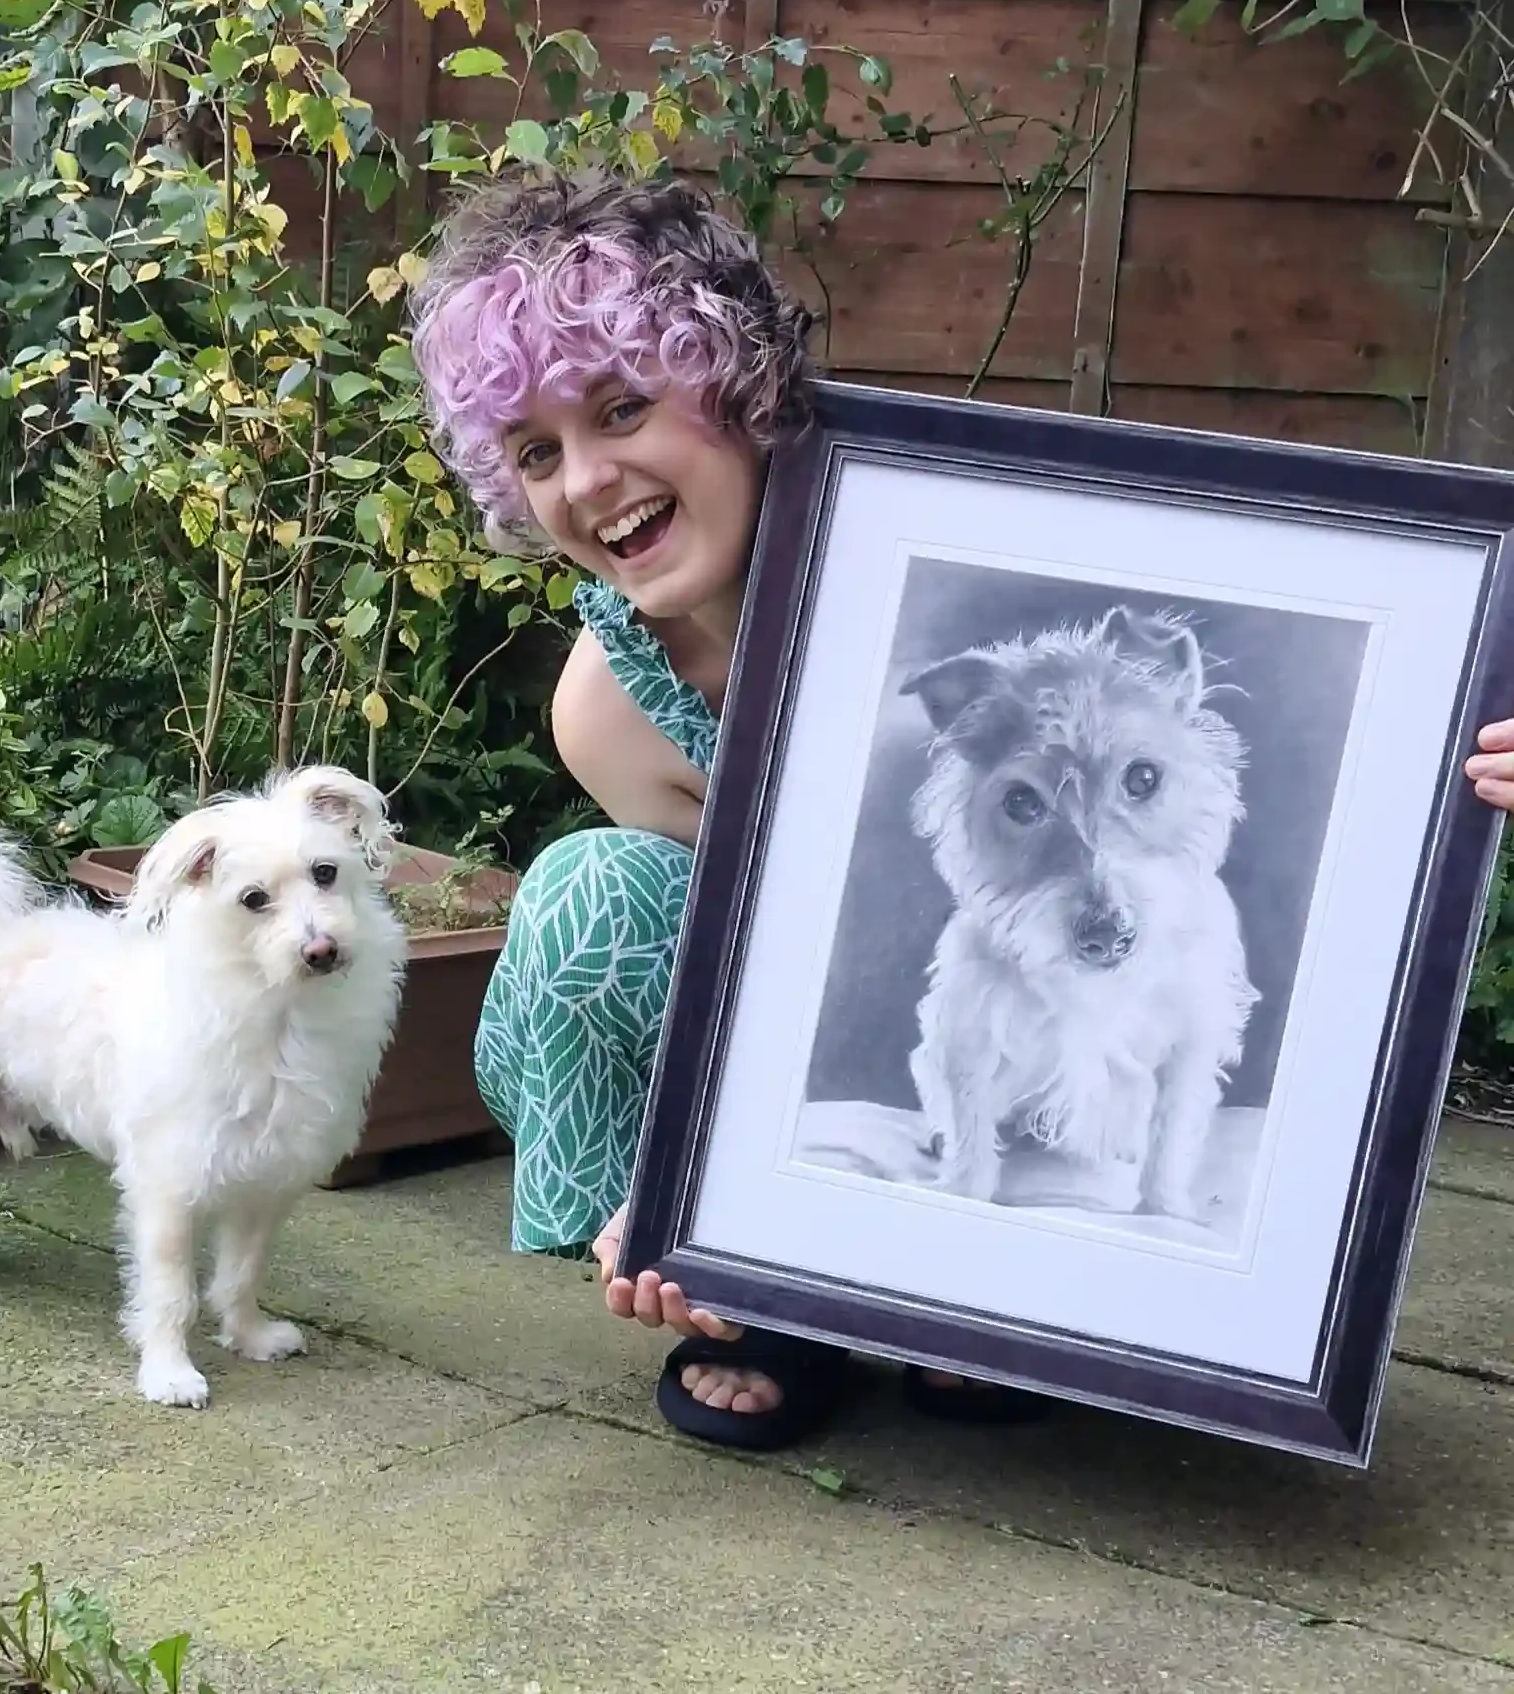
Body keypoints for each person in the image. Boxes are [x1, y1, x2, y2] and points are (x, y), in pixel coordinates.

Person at [409, 162, 1514, 1453]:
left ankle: (997, 1306)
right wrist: (679, 1200)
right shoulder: (607, 703)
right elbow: (726, 978)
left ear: (729, 381)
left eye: (622, 407)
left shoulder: (927, 535)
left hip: (1059, 1012)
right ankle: (772, 1297)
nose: (588, 480)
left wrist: (1457, 742)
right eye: (538, 452)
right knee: (592, 897)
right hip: (860, 1033)